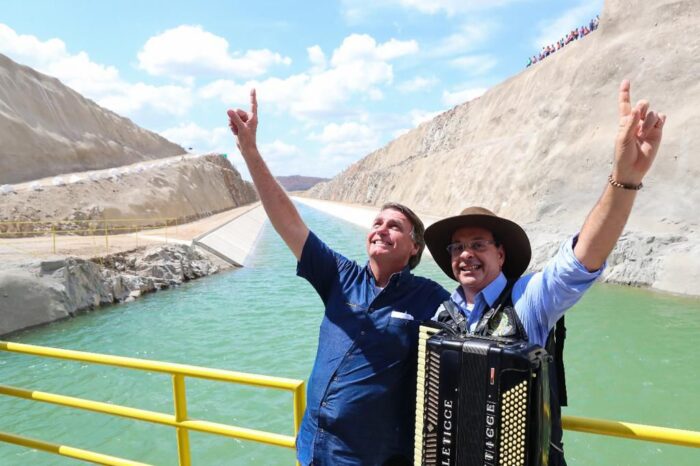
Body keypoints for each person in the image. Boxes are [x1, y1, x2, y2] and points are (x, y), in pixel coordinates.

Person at [423, 79, 666, 465]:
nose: (465, 255)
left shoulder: (529, 299)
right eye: (458, 247)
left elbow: (581, 260)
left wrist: (624, 179)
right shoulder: (442, 317)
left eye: (478, 245)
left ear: (501, 255)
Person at [227, 90, 449, 466]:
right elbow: (288, 221)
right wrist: (250, 150)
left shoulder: (431, 300)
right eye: (376, 222)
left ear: (414, 247)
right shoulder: (339, 276)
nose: (380, 229)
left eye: (394, 226)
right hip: (312, 450)